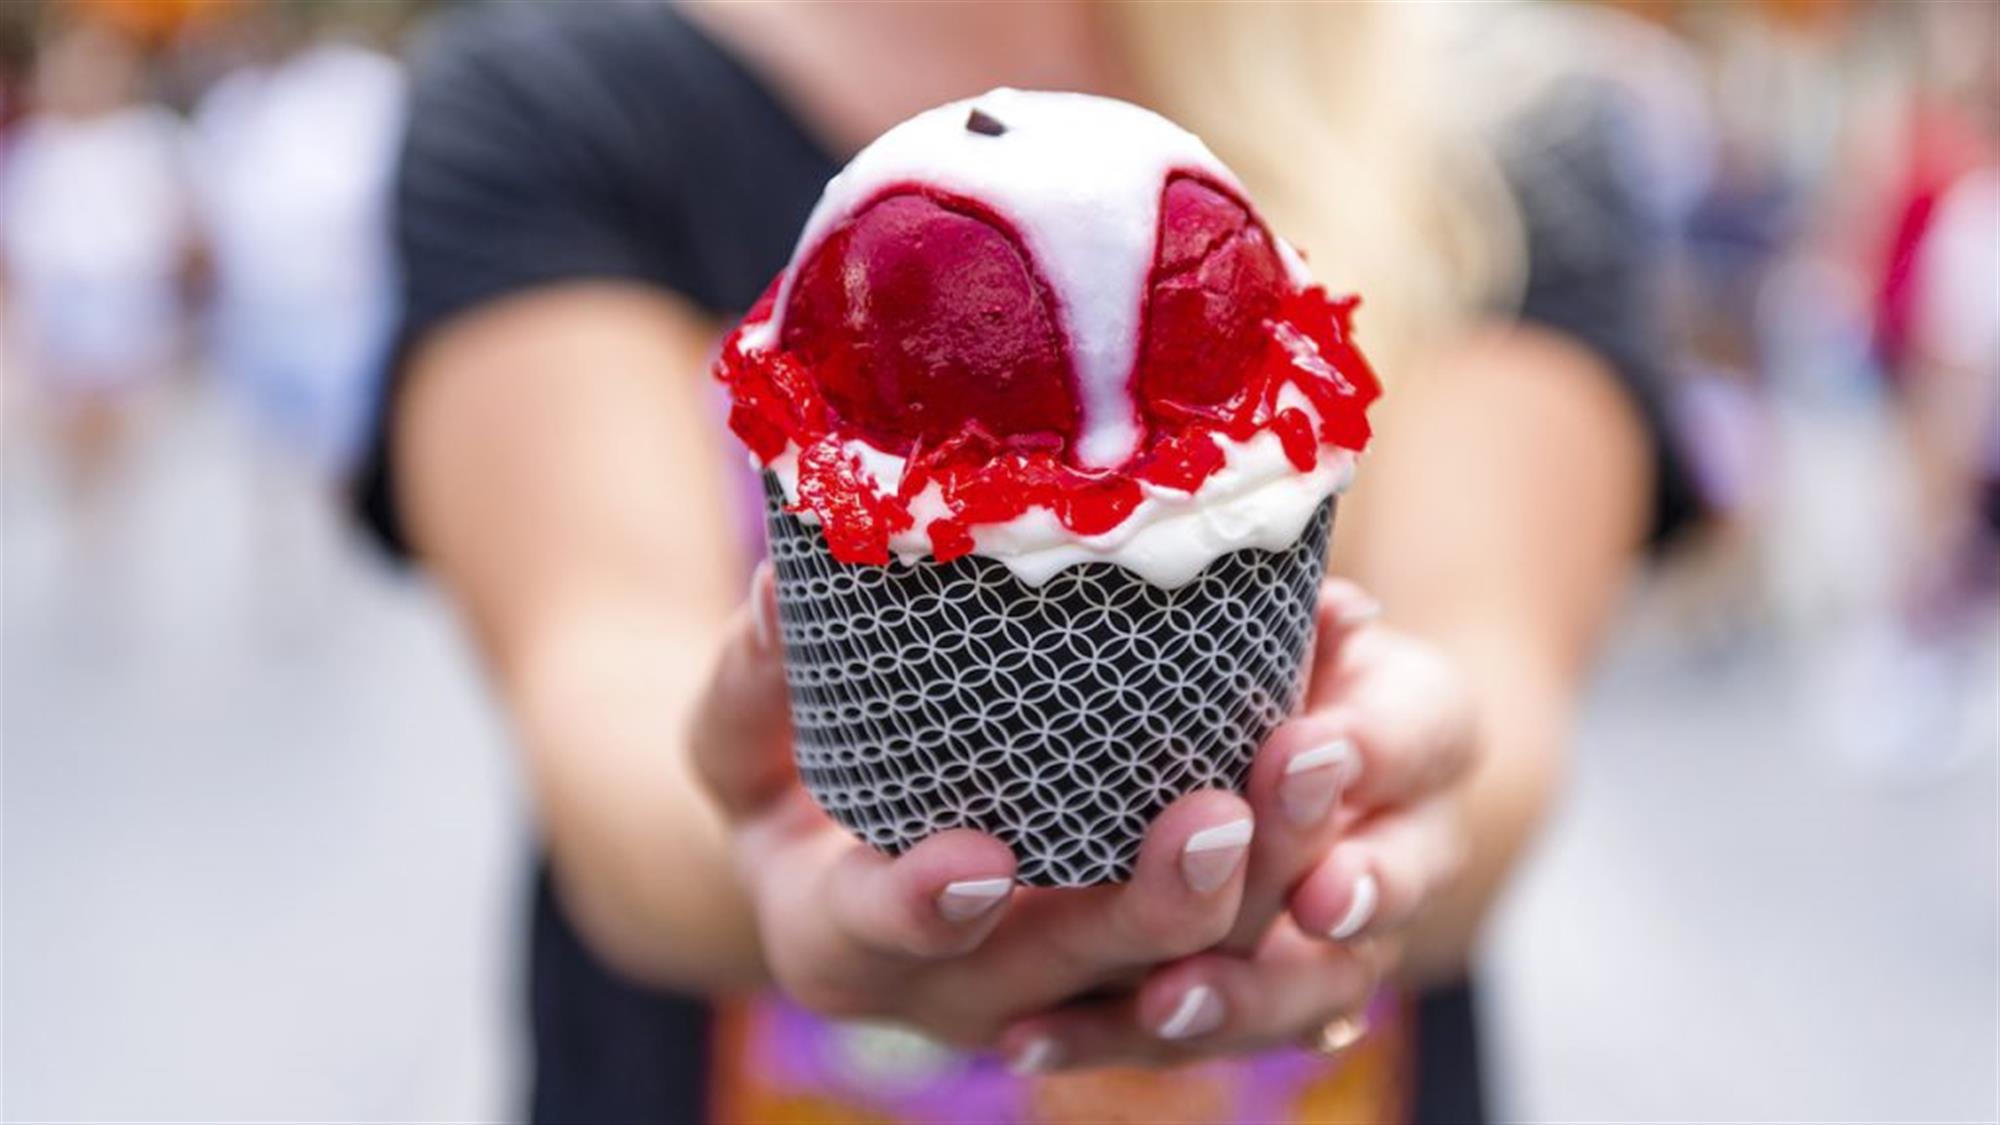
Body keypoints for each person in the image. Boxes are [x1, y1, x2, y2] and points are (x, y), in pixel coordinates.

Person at [354, 3, 1697, 1121]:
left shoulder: (1497, 117)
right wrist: (775, 871)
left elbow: (1495, 692)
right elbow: (603, 694)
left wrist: (1387, 828)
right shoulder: (560, 106)